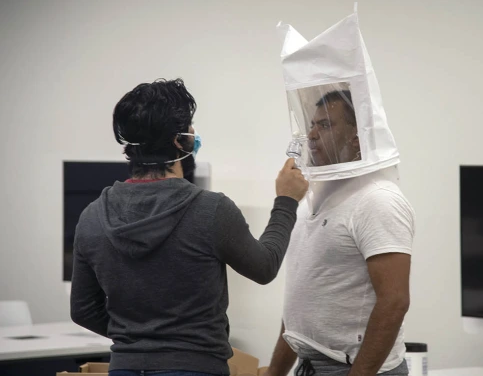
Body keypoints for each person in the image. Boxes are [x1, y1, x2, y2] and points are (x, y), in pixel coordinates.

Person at [70, 78, 309, 376]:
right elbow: (264, 267)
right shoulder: (211, 210)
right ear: (178, 140)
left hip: (125, 368)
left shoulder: (92, 216)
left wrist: (139, 339)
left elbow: (83, 310)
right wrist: (286, 201)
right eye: (191, 127)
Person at [266, 89, 415, 376]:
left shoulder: (378, 199)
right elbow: (301, 307)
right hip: (309, 365)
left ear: (357, 138)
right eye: (312, 124)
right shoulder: (312, 199)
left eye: (325, 125)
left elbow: (394, 301)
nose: (311, 135)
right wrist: (274, 373)